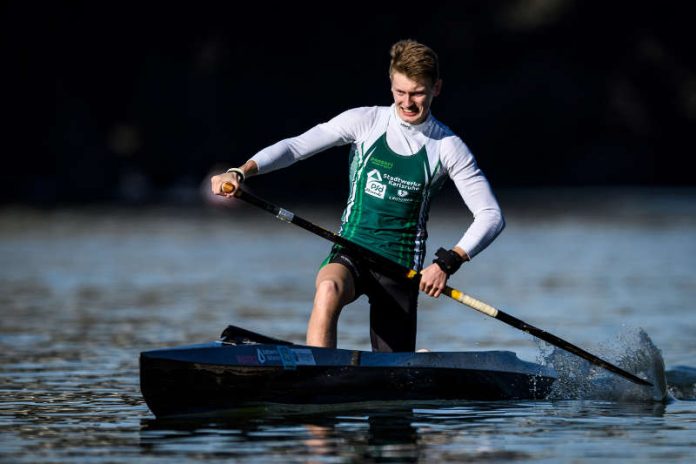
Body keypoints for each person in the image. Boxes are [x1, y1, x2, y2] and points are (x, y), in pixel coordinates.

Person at [211, 39, 504, 352]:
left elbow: (491, 216)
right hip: (353, 248)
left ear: (437, 89)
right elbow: (295, 147)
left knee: (396, 374)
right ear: (391, 85)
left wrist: (447, 263)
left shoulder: (447, 147)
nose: (407, 102)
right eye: (400, 92)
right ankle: (320, 371)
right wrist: (241, 171)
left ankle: (412, 363)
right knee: (328, 288)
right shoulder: (367, 121)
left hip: (400, 265)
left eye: (417, 93)